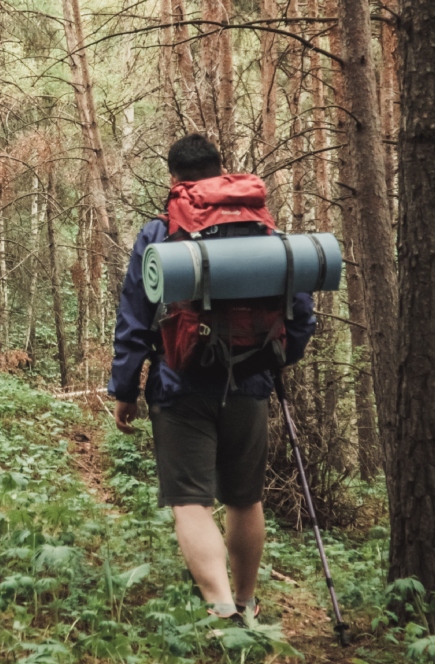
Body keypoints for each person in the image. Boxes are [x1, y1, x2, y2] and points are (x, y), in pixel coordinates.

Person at [108, 133, 317, 627]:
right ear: (222, 172)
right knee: (245, 497)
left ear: (174, 180)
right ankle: (247, 601)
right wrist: (275, 360)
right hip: (250, 382)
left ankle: (220, 605)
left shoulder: (158, 234)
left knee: (190, 500)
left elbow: (134, 316)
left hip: (179, 384)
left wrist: (124, 389)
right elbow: (300, 311)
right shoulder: (262, 231)